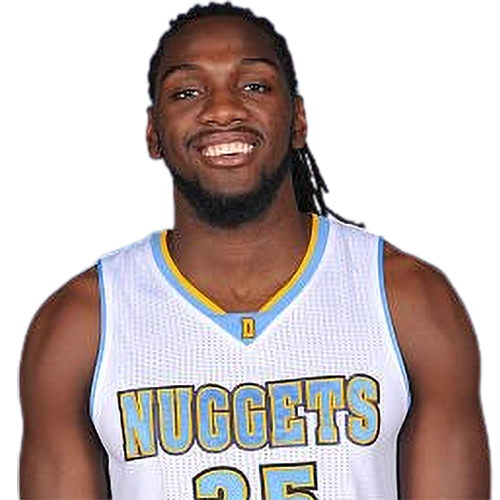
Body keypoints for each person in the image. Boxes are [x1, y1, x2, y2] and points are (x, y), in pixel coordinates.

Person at [18, 2, 492, 499]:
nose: (223, 110)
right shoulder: (81, 324)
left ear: (298, 120)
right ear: (153, 134)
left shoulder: (409, 300)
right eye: (187, 92)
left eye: (254, 86)